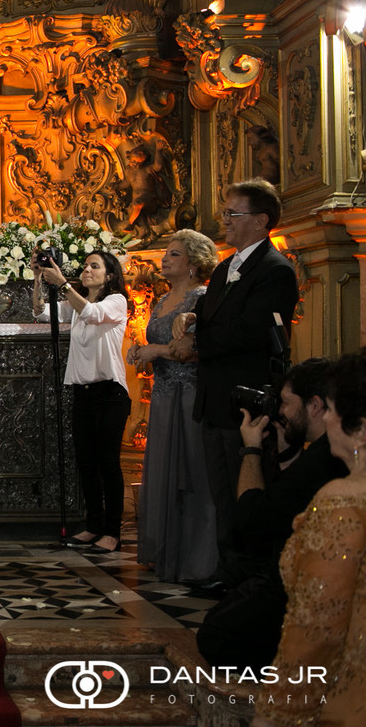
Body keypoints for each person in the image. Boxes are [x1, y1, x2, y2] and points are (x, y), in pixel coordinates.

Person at [172, 178, 299, 590]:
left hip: (245, 401)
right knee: (222, 492)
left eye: (233, 213)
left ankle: (251, 576)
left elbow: (250, 331)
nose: (224, 220)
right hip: (215, 397)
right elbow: (214, 314)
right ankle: (228, 571)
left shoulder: (275, 271)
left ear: (261, 220)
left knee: (248, 491)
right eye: (225, 212)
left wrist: (196, 341)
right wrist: (193, 317)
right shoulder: (228, 264)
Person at [197, 357, 345, 669]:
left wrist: (251, 449)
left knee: (217, 633)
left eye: (288, 403)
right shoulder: (321, 450)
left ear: (315, 405)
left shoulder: (327, 455)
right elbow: (287, 503)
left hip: (308, 586)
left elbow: (251, 518)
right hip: (303, 573)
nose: (280, 412)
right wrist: (286, 451)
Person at [252, 351, 366, 727]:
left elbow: (315, 632)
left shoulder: (343, 502)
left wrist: (275, 714)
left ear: (360, 427)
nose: (328, 418)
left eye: (332, 409)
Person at [128, 229, 219, 581]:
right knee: (165, 469)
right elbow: (159, 345)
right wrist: (143, 353)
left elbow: (200, 351)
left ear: (195, 263)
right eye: (165, 254)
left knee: (190, 472)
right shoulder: (161, 300)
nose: (164, 259)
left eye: (174, 254)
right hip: (165, 394)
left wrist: (157, 351)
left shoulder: (203, 298)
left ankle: (196, 558)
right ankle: (166, 549)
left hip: (190, 395)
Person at [34, 250, 131, 554]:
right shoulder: (76, 305)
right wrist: (38, 278)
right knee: (86, 464)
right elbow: (41, 313)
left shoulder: (115, 302)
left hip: (110, 393)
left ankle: (113, 532)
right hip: (83, 392)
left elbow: (92, 313)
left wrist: (62, 283)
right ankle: (94, 525)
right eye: (86, 266)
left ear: (110, 274)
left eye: (95, 266)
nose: (87, 270)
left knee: (108, 464)